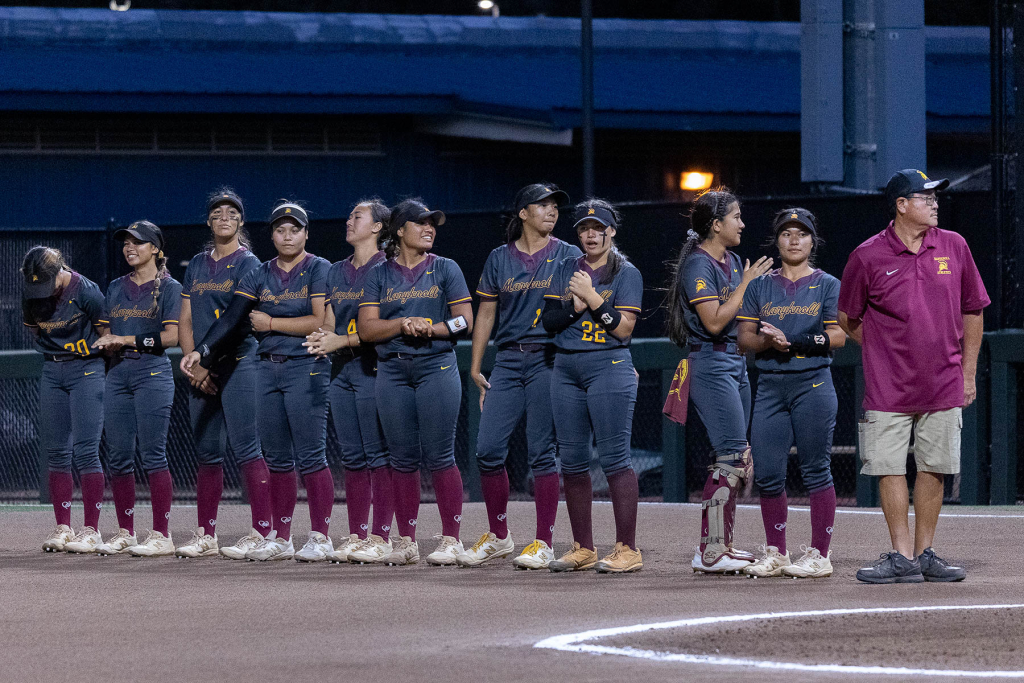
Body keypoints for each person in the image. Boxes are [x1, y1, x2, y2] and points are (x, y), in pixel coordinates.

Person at [839, 169, 989, 584]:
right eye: (925, 197)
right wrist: (882, 349)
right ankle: (902, 556)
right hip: (888, 386)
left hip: (944, 381)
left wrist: (968, 374)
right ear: (901, 205)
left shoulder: (954, 246)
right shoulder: (867, 255)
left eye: (935, 197)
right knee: (889, 468)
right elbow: (847, 318)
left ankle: (925, 553)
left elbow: (973, 310)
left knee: (934, 467)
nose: (935, 202)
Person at [182, 201, 335, 563]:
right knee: (279, 458)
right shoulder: (261, 272)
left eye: (294, 228)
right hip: (268, 366)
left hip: (302, 365)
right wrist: (201, 351)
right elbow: (235, 315)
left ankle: (320, 536)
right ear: (271, 234)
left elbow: (318, 321)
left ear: (306, 233)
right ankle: (280, 537)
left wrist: (272, 324)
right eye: (280, 229)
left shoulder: (318, 267)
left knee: (311, 455)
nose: (287, 235)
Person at [458, 183, 582, 570]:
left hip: (549, 358)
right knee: (488, 450)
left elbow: (583, 307)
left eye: (554, 206)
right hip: (509, 361)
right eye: (541, 205)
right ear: (523, 214)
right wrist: (477, 365)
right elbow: (486, 314)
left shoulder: (569, 254)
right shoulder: (499, 258)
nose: (551, 211)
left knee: (542, 453)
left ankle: (543, 542)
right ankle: (499, 536)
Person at [357, 198, 474, 566]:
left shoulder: (446, 268)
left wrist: (432, 328)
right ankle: (406, 541)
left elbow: (463, 322)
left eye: (432, 223)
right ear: (400, 230)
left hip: (436, 367)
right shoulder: (378, 273)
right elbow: (366, 329)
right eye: (421, 222)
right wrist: (404, 323)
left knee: (440, 456)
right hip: (392, 370)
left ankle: (451, 540)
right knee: (402, 459)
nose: (429, 228)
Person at [664, 188, 773, 574]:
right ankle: (710, 551)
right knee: (730, 457)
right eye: (736, 217)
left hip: (735, 363)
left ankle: (721, 545)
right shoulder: (700, 264)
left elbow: (736, 317)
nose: (742, 223)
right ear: (716, 224)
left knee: (737, 459)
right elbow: (712, 322)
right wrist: (745, 284)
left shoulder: (729, 260)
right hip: (710, 364)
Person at [736, 208, 844, 578]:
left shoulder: (827, 284)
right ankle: (776, 552)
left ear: (813, 241)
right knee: (767, 473)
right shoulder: (760, 285)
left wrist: (792, 341)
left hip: (812, 383)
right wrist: (767, 341)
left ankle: (820, 554)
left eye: (801, 233)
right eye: (786, 233)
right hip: (769, 385)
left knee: (816, 470)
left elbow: (839, 336)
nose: (794, 239)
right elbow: (744, 339)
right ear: (777, 239)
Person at [542, 199, 644, 574]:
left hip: (609, 365)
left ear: (611, 231)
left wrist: (591, 296)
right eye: (584, 228)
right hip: (566, 368)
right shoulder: (566, 267)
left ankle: (628, 549)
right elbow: (550, 322)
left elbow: (623, 328)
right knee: (571, 460)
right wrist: (577, 307)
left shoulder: (626, 272)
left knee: (616, 458)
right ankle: (583, 547)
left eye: (597, 227)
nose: (590, 234)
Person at [175, 189, 274, 560]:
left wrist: (205, 359)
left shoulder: (250, 263)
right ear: (208, 221)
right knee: (207, 454)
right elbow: (185, 318)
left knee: (247, 449)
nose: (224, 217)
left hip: (238, 361)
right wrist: (193, 362)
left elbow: (236, 321)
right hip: (201, 368)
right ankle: (205, 535)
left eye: (232, 212)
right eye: (217, 212)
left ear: (241, 221)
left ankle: (263, 532)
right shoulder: (198, 264)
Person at [303, 199, 395, 564]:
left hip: (376, 368)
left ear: (377, 227)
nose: (348, 220)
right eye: (349, 213)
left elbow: (383, 325)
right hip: (341, 371)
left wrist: (341, 340)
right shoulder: (337, 270)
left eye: (357, 215)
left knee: (378, 456)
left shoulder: (388, 267)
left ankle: (382, 536)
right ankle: (359, 535)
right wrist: (322, 337)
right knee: (354, 459)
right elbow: (328, 320)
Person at [93, 221, 182, 557]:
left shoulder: (170, 288)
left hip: (152, 373)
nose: (130, 248)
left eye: (139, 242)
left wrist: (126, 339)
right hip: (117, 373)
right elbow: (106, 328)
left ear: (156, 249)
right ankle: (126, 531)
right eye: (126, 242)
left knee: (153, 454)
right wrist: (106, 341)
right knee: (118, 457)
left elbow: (171, 338)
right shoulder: (115, 286)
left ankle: (162, 534)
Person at [22, 247, 107, 554]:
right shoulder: (32, 292)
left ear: (60, 270)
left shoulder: (87, 292)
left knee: (85, 451)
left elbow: (106, 334)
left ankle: (92, 529)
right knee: (56, 452)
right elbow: (33, 329)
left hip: (86, 367)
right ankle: (63, 527)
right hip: (52, 369)